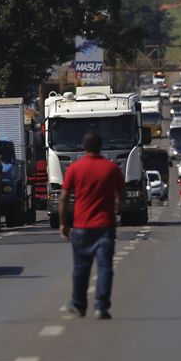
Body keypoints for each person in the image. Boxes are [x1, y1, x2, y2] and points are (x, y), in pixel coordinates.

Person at [59, 131, 125, 320]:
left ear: (84, 147)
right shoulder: (111, 169)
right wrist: (117, 208)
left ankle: (79, 305)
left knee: (81, 268)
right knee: (105, 267)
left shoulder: (75, 169)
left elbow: (64, 198)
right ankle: (101, 307)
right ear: (100, 147)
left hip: (81, 226)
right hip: (105, 226)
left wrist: (64, 223)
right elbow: (122, 194)